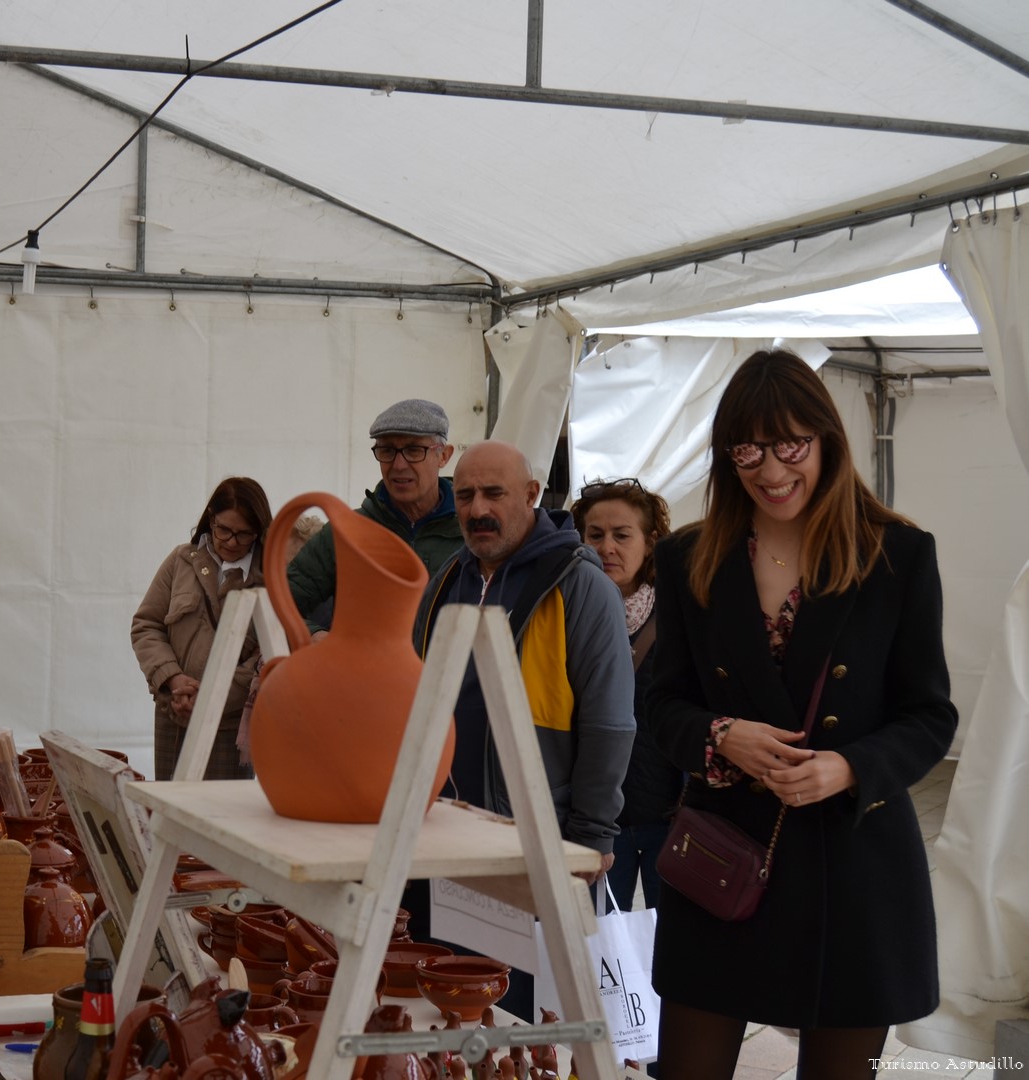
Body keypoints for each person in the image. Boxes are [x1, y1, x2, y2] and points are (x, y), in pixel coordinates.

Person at [646, 350, 957, 1080]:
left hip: (852, 870)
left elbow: (929, 714)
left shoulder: (896, 555)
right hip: (721, 861)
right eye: (747, 449)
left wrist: (849, 767)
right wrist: (721, 736)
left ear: (826, 440)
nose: (770, 469)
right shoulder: (689, 557)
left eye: (789, 444)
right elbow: (660, 702)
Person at [408, 441, 635, 1020]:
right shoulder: (447, 579)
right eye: (465, 496)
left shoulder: (580, 586)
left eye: (494, 493)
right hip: (445, 840)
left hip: (534, 842)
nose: (477, 509)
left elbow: (609, 723)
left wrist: (591, 837)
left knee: (526, 1016)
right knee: (451, 1010)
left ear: (532, 495)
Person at [572, 477, 681, 911]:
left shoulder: (679, 615)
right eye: (595, 535)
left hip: (668, 818)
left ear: (650, 542)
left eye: (622, 535)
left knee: (668, 940)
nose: (607, 548)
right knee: (597, 942)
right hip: (596, 824)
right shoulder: (566, 613)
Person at [131, 477, 273, 780]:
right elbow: (146, 625)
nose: (231, 542)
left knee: (224, 809)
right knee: (169, 807)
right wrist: (173, 679)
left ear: (259, 531)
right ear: (210, 519)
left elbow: (265, 658)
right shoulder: (181, 561)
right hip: (174, 717)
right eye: (224, 530)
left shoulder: (272, 578)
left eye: (243, 534)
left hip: (229, 728)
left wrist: (210, 696)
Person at [286, 398, 459, 633]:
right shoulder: (346, 533)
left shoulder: (472, 534)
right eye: (387, 450)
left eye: (413, 450)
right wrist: (313, 636)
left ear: (444, 456)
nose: (399, 465)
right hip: (360, 660)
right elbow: (279, 603)